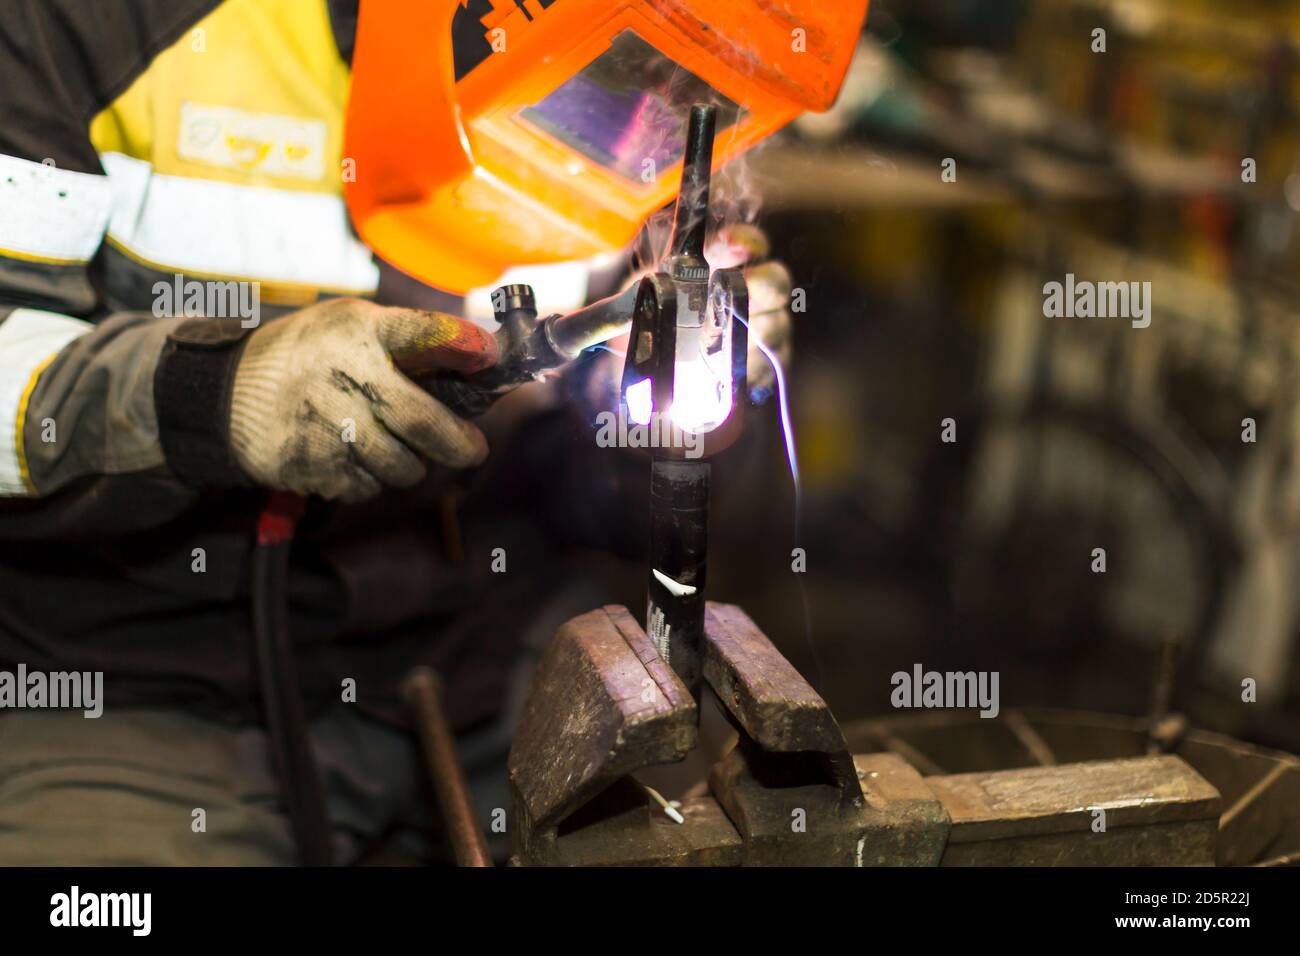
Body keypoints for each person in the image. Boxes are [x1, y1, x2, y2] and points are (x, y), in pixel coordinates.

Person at [0, 0, 801, 864]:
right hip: (141, 680)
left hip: (484, 660)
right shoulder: (86, 22)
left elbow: (581, 485)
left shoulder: (623, 53)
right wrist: (209, 395)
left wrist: (655, 418)